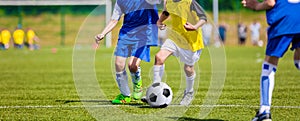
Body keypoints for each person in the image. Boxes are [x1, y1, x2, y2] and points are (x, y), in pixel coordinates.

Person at [242, 0, 300, 120]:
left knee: (269, 64)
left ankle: (264, 111)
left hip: (285, 19)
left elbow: (270, 2)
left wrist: (257, 6)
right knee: (298, 59)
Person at [94, 0, 159, 104]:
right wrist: (103, 34)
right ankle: (125, 95)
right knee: (118, 64)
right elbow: (114, 20)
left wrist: (159, 23)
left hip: (143, 34)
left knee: (132, 66)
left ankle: (137, 84)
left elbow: (155, 8)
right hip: (126, 34)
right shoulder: (120, 2)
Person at [144, 0, 207, 106]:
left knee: (188, 69)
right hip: (175, 38)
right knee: (159, 57)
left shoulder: (190, 2)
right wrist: (159, 22)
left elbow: (203, 17)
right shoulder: (169, 1)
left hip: (191, 41)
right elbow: (166, 12)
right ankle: (155, 90)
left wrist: (195, 27)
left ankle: (189, 92)